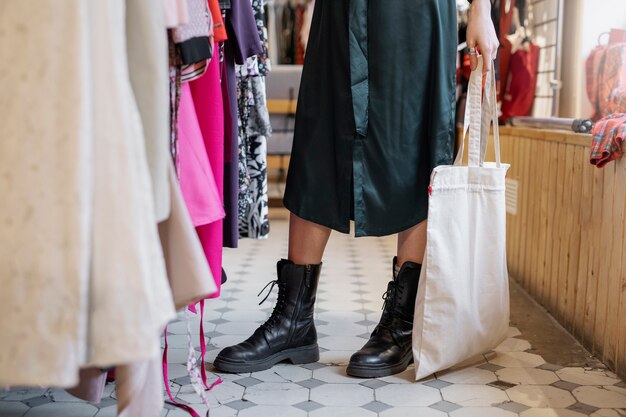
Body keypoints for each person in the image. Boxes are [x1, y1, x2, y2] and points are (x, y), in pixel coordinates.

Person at [213, 0, 499, 377]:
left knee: (414, 141)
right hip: (339, 9)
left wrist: (481, 10)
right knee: (319, 136)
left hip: (416, 14)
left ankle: (401, 323)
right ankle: (293, 320)